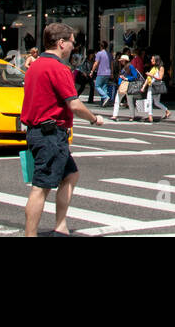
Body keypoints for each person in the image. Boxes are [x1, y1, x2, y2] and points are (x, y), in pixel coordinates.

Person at [21, 23, 103, 237]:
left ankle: (61, 225)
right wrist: (94, 119)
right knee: (41, 187)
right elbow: (74, 104)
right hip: (50, 134)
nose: (73, 47)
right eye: (72, 43)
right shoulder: (59, 68)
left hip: (39, 131)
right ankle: (31, 234)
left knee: (71, 174)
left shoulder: (35, 66)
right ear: (61, 43)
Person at [112, 54, 142, 121]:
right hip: (123, 85)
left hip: (128, 85)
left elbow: (135, 77)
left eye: (122, 60)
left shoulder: (130, 67)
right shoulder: (123, 67)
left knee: (129, 101)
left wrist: (126, 78)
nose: (121, 62)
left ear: (125, 60)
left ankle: (132, 116)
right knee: (118, 100)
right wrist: (119, 83)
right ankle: (115, 115)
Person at [143, 55, 170, 122]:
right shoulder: (153, 68)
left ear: (156, 60)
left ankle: (151, 116)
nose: (151, 60)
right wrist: (143, 86)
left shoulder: (161, 68)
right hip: (151, 86)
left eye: (152, 59)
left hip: (156, 86)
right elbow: (148, 78)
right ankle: (152, 116)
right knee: (154, 102)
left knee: (155, 102)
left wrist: (151, 75)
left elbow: (160, 78)